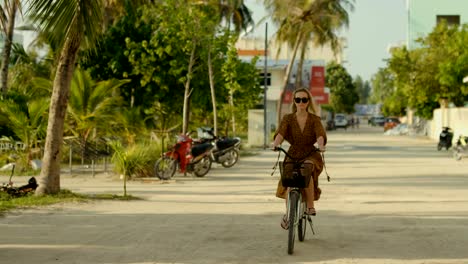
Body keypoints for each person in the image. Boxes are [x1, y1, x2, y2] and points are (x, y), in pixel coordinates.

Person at [272, 88, 327, 230]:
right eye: (298, 99)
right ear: (294, 101)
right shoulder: (288, 118)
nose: (301, 102)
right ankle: (288, 214)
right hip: (293, 152)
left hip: (310, 153)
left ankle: (310, 206)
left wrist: (321, 146)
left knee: (306, 169)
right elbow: (281, 133)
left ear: (308, 102)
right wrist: (275, 144)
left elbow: (320, 134)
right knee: (289, 181)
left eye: (304, 99)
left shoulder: (315, 119)